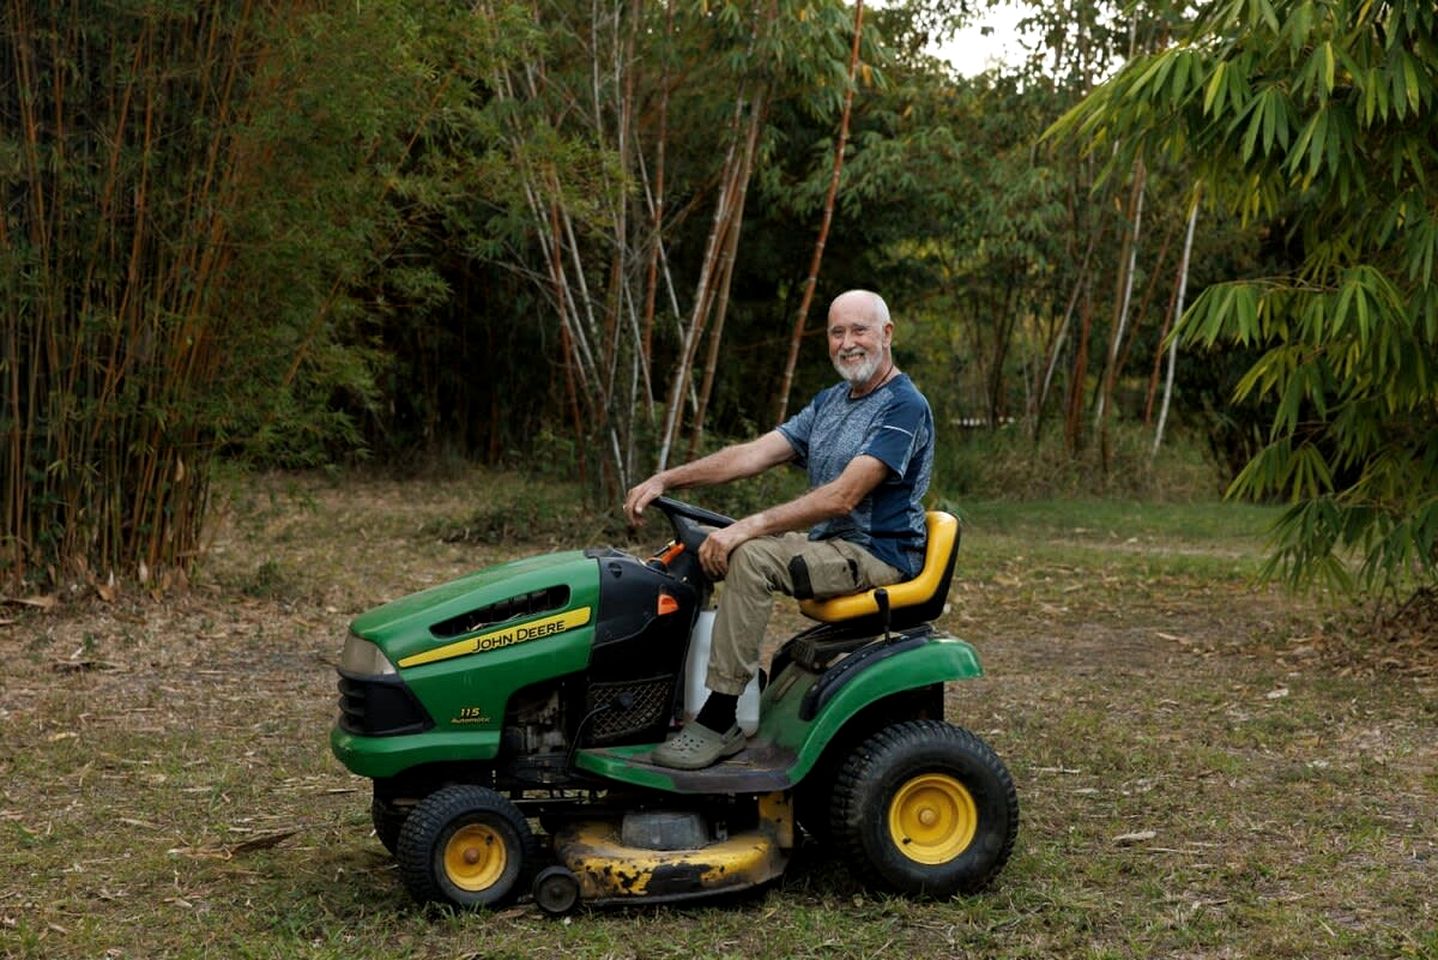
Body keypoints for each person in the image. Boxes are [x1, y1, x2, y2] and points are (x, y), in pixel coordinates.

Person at [623, 289, 934, 770]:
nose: (848, 342)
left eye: (859, 330)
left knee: (750, 556)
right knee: (699, 549)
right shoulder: (832, 402)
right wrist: (667, 478)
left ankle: (721, 715)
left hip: (876, 554)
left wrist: (747, 528)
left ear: (886, 335)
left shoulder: (903, 407)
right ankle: (653, 700)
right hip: (828, 544)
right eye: (837, 332)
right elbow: (754, 453)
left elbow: (843, 496)